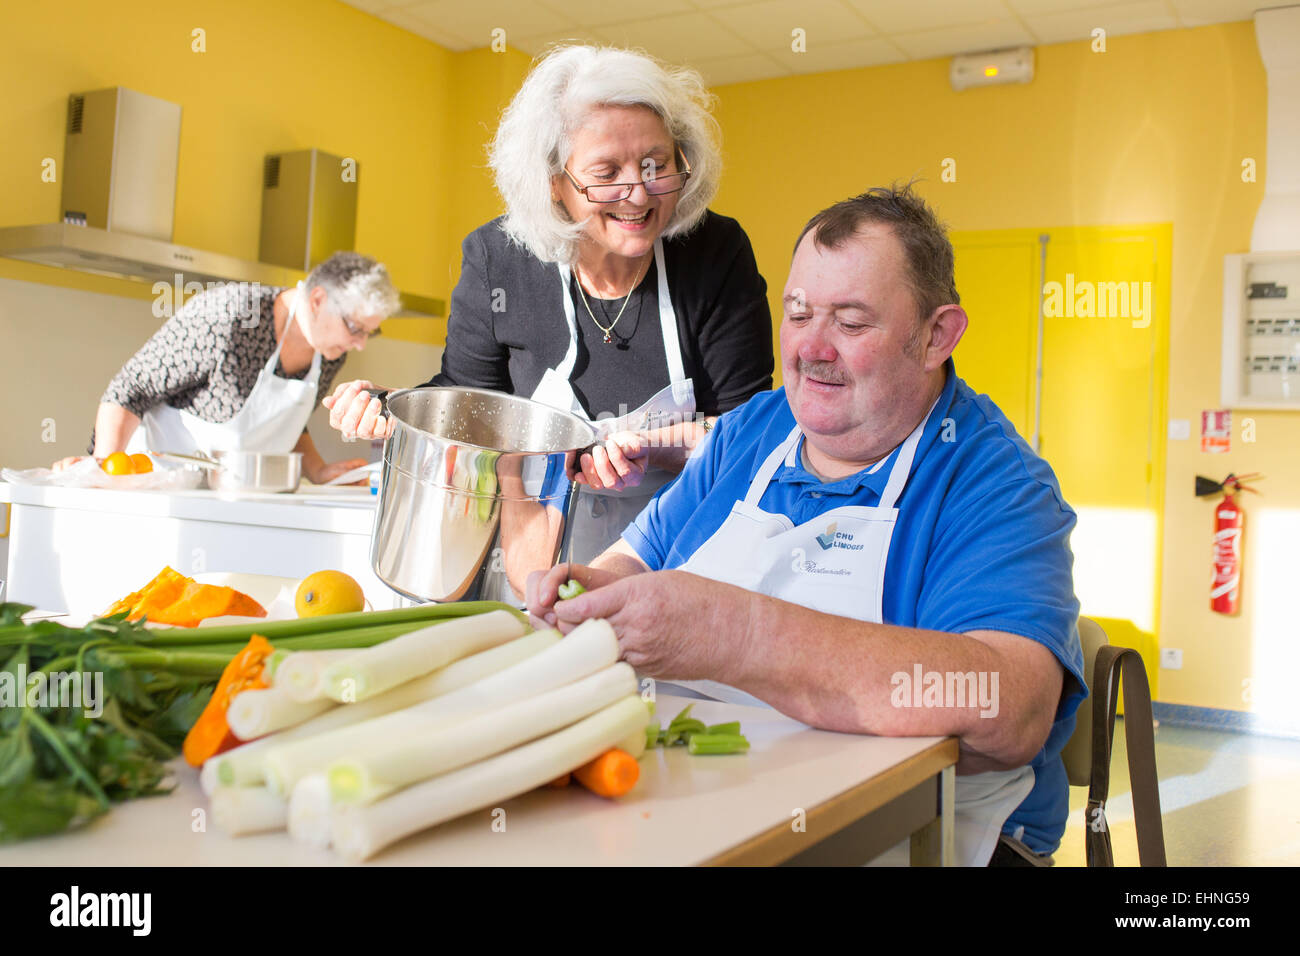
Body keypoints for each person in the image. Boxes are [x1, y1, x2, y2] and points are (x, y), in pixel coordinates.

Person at [527, 184, 1087, 867]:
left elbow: (1007, 703)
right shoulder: (748, 432)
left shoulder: (993, 481)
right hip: (694, 807)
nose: (811, 349)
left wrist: (735, 633)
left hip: (917, 836)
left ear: (937, 334)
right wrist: (588, 593)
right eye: (798, 314)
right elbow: (632, 562)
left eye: (851, 324)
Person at [325, 45, 773, 579]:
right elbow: (469, 403)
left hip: (680, 563)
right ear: (554, 182)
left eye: (656, 163)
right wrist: (387, 409)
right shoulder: (498, 259)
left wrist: (655, 451)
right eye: (607, 171)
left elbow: (749, 430)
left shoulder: (714, 253)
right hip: (528, 563)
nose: (638, 192)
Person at [58, 252, 400, 484]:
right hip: (156, 488)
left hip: (236, 500)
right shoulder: (231, 315)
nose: (360, 344)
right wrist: (104, 468)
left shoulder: (329, 352)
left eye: (370, 332)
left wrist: (320, 471)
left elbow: (287, 425)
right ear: (318, 301)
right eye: (355, 328)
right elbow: (131, 388)